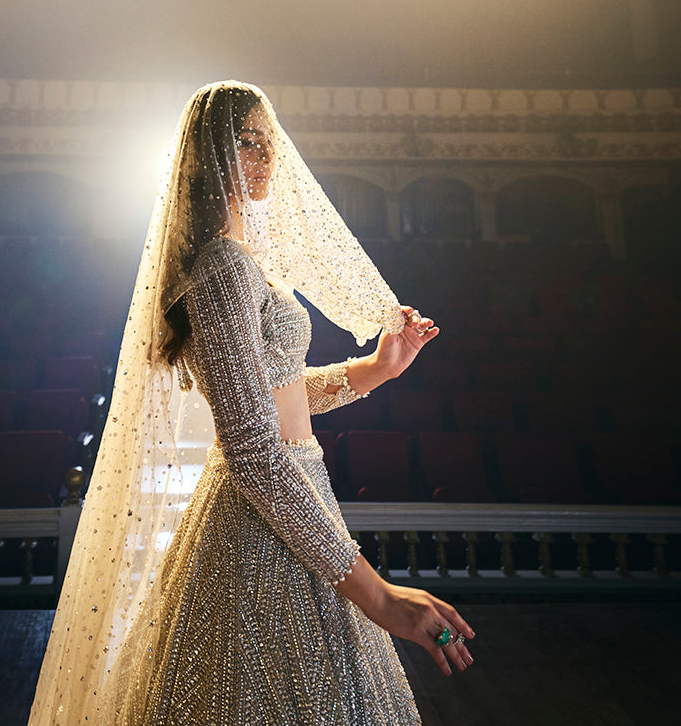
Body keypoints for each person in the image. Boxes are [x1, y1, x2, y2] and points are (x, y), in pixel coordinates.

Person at [29, 82, 474, 725]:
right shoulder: (223, 268)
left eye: (268, 142)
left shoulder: (248, 265)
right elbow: (253, 445)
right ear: (205, 161)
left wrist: (374, 369)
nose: (264, 158)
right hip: (258, 514)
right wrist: (378, 597)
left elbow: (275, 393)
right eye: (244, 143)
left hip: (297, 491)